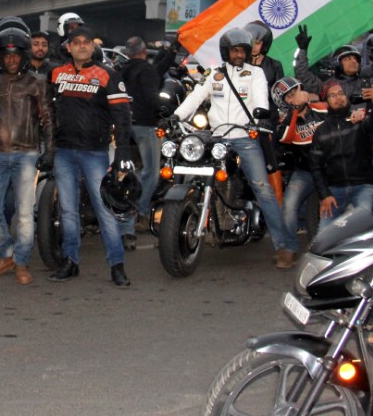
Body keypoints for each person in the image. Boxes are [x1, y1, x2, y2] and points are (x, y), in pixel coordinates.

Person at [172, 29, 300, 268]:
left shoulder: (256, 74)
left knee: (263, 191)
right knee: (194, 174)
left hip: (244, 138)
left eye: (242, 50)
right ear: (226, 52)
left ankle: (284, 247)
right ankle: (199, 223)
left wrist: (260, 116)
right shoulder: (214, 75)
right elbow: (196, 97)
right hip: (217, 138)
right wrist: (175, 116)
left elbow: (261, 99)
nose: (239, 55)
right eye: (235, 50)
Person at [48, 26, 134, 287]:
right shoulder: (55, 74)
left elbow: (122, 117)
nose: (82, 46)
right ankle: (70, 261)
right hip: (63, 152)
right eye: (77, 42)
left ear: (93, 47)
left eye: (86, 42)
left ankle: (117, 266)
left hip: (94, 152)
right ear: (69, 47)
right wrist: (49, 148)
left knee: (104, 210)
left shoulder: (108, 75)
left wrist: (122, 152)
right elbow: (48, 113)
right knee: (68, 211)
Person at [0, 27, 53, 286]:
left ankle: (22, 261)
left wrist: (50, 151)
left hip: (27, 154)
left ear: (24, 55)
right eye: (6, 54)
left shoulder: (38, 83)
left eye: (16, 54)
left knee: (25, 213)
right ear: (0, 56)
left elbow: (47, 119)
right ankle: (6, 255)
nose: (12, 59)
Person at [269, 76, 328, 265]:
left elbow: (344, 115)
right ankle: (290, 249)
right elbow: (284, 137)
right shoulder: (284, 120)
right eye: (289, 97)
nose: (295, 97)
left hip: (332, 169)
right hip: (305, 171)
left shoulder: (322, 108)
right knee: (288, 206)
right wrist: (294, 110)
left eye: (296, 92)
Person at [309, 78, 373, 225]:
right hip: (335, 190)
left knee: (363, 222)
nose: (338, 98)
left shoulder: (358, 119)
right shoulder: (321, 132)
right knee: (324, 235)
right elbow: (316, 167)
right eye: (332, 95)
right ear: (326, 102)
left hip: (363, 185)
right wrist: (324, 195)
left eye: (341, 93)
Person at [118, 36, 162, 239]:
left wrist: (170, 54)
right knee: (152, 171)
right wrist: (167, 112)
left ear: (128, 53)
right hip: (146, 124)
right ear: (144, 51)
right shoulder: (147, 70)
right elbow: (152, 97)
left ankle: (125, 200)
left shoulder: (122, 69)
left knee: (129, 169)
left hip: (125, 124)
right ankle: (141, 212)